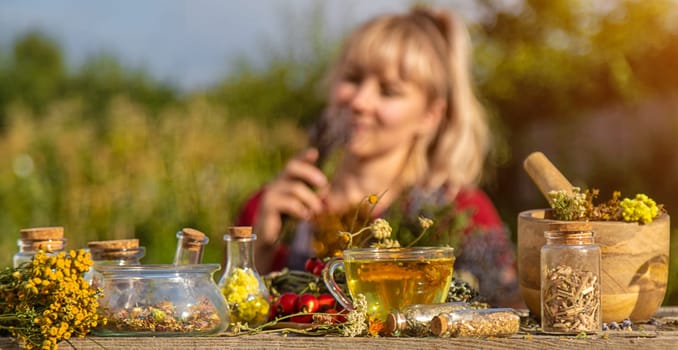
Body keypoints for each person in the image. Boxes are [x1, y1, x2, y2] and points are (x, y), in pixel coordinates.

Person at [235, 5, 523, 308]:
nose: (360, 101)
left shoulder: (459, 212)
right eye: (353, 78)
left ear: (430, 114)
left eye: (389, 91)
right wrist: (259, 252)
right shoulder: (274, 210)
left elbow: (507, 312)